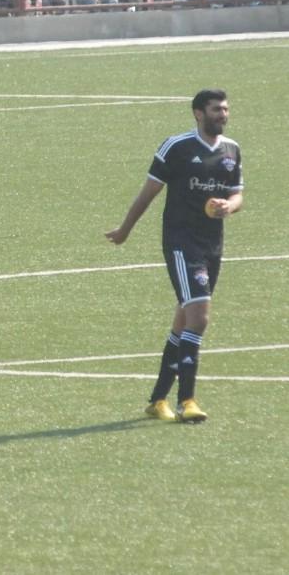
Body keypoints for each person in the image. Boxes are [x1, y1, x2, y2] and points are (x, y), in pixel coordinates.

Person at [105, 89, 243, 424]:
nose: (222, 115)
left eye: (225, 109)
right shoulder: (176, 147)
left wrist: (229, 206)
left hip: (213, 244)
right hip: (182, 243)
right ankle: (188, 401)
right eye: (216, 110)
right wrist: (125, 229)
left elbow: (238, 194)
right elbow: (148, 192)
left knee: (183, 321)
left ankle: (157, 400)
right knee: (199, 318)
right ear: (198, 113)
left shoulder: (232, 150)